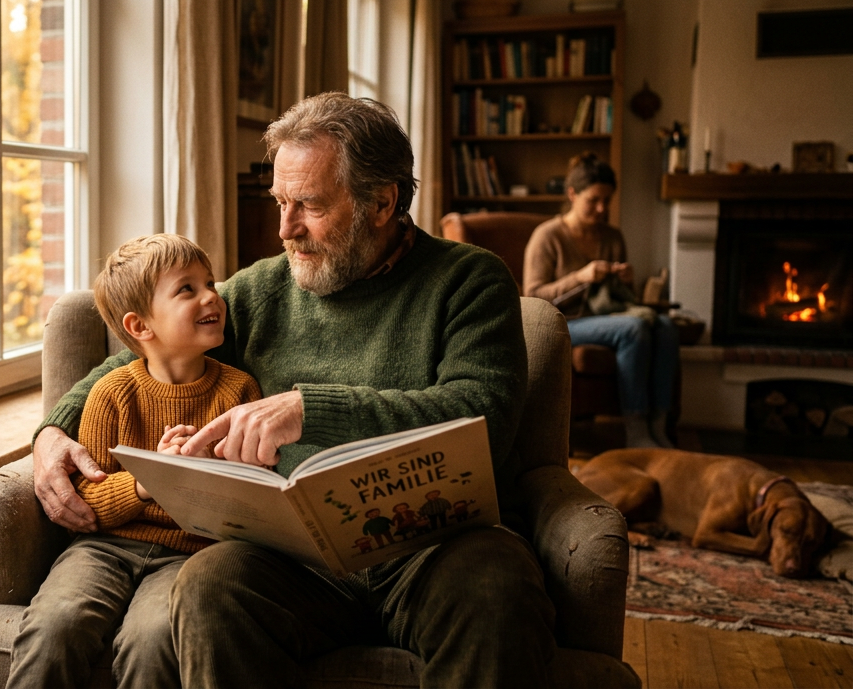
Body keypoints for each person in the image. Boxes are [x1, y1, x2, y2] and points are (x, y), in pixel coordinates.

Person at [33, 92, 559, 688]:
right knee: (210, 582)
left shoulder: (470, 281)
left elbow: (482, 416)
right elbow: (142, 354)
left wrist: (312, 409)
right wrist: (53, 429)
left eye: (308, 205)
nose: (285, 229)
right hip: (296, 559)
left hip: (436, 549)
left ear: (382, 202)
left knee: (496, 587)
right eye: (281, 202)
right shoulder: (262, 291)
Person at [6, 234, 261, 689]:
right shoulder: (110, 394)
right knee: (55, 625)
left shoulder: (239, 391)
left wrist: (211, 465)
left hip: (191, 556)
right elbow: (85, 506)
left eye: (209, 283)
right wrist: (150, 478)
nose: (212, 297)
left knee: (154, 639)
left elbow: (249, 501)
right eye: (187, 289)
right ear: (140, 326)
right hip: (103, 549)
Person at [522, 152, 680, 449]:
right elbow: (532, 297)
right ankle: (636, 430)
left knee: (666, 327)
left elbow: (621, 300)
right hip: (566, 322)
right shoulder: (547, 236)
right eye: (593, 200)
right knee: (634, 329)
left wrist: (626, 280)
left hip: (607, 316)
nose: (602, 208)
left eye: (607, 201)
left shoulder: (612, 236)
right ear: (572, 194)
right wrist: (580, 277)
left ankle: (658, 426)